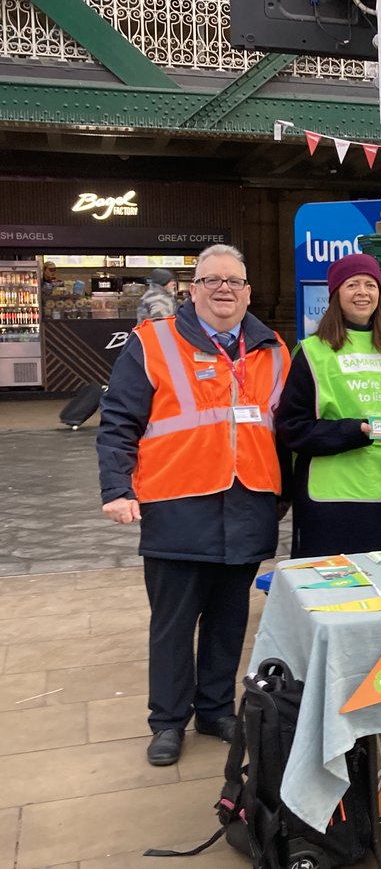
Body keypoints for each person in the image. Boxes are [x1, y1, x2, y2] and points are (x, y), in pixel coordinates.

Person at [95, 244, 290, 767]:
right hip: (177, 503)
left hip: (248, 502)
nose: (224, 289)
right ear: (193, 289)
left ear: (248, 291)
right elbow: (119, 421)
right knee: (174, 624)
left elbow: (285, 429)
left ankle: (214, 709)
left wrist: (284, 493)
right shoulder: (152, 342)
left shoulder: (273, 349)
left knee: (229, 619)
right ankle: (167, 722)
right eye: (212, 280)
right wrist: (116, 488)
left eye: (234, 281)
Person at [276, 253, 381, 558]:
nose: (362, 292)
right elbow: (292, 428)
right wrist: (355, 430)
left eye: (370, 284)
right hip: (335, 500)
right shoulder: (313, 352)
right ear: (335, 294)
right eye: (352, 284)